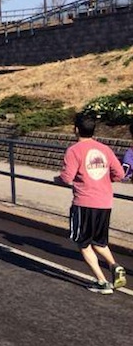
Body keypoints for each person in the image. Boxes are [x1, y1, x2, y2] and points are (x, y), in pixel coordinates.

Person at [55, 114, 126, 294]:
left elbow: (67, 178)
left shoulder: (74, 150)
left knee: (83, 243)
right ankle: (114, 265)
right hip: (105, 202)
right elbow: (119, 174)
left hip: (84, 202)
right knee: (100, 242)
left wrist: (57, 179)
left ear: (76, 129)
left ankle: (102, 282)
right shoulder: (105, 149)